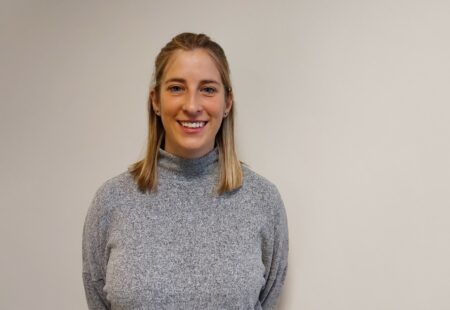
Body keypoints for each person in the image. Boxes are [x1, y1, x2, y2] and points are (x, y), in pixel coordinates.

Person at [82, 32, 289, 310]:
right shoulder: (111, 202)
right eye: (177, 88)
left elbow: (268, 298)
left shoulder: (263, 201)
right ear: (156, 101)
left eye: (208, 89)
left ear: (227, 103)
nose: (192, 106)